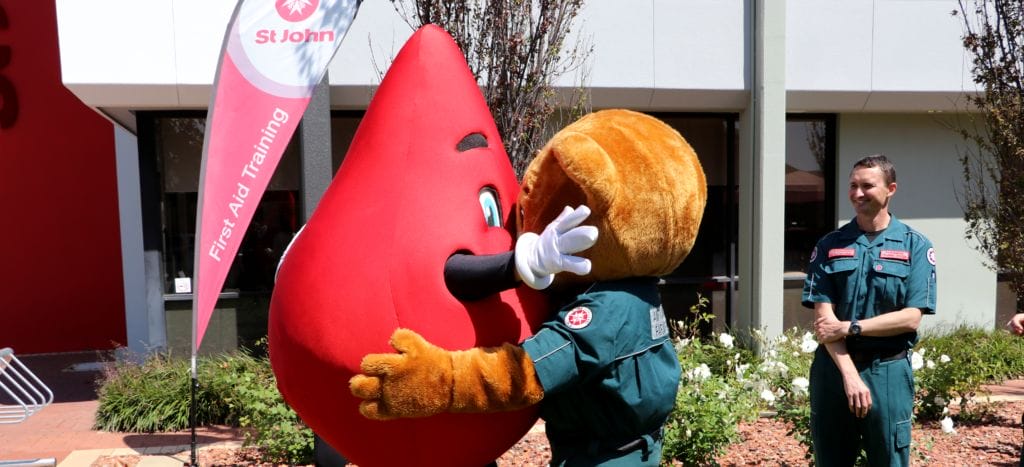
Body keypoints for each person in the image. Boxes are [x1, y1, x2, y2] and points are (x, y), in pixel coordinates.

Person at [801, 154, 937, 466]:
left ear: (891, 189)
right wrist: (850, 376)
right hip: (835, 371)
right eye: (853, 185)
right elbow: (824, 322)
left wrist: (851, 327)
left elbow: (911, 317)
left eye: (867, 186)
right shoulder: (830, 245)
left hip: (887, 372)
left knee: (890, 459)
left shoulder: (914, 245)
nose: (857, 193)